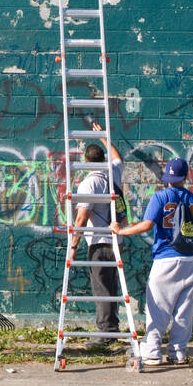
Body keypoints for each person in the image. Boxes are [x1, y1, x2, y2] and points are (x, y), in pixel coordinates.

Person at [113, 157, 193, 366]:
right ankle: (178, 352)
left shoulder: (160, 197)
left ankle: (152, 351)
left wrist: (121, 231)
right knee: (184, 310)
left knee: (158, 307)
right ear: (185, 176)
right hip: (189, 258)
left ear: (168, 177)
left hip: (165, 258)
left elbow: (146, 225)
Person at [72, 122, 124, 350]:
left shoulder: (89, 183)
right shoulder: (113, 173)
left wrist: (73, 245)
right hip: (116, 240)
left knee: (102, 288)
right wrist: (103, 136)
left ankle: (104, 334)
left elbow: (81, 218)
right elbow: (118, 157)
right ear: (102, 159)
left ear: (85, 160)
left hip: (99, 242)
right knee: (111, 287)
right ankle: (112, 328)